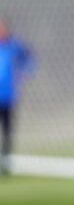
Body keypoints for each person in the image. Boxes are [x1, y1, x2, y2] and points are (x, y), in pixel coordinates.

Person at [0, 20, 33, 174]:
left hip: (7, 96)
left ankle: (6, 163)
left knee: (7, 130)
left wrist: (25, 73)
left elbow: (29, 58)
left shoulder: (14, 46)